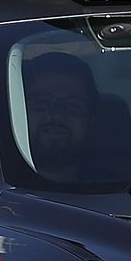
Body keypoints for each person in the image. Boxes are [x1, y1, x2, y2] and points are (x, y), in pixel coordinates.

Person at [23, 52, 96, 183]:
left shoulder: (122, 191)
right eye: (42, 103)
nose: (57, 115)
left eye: (73, 105)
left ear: (91, 121)